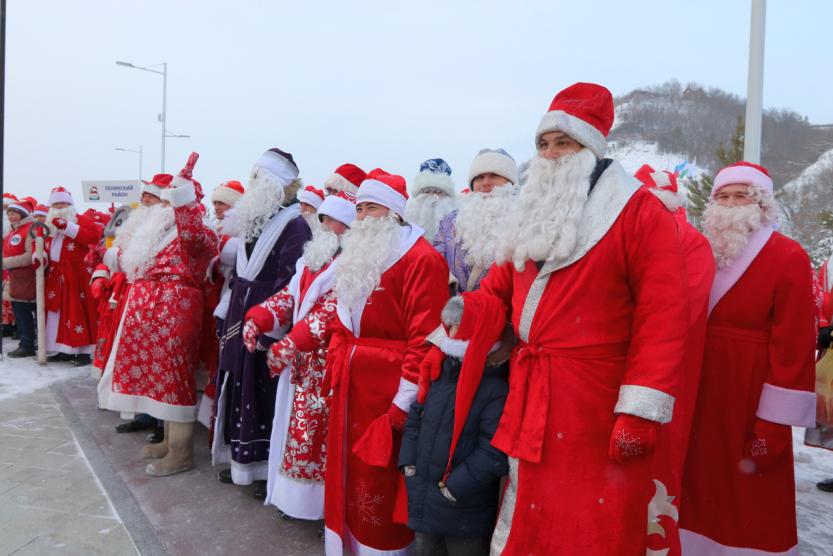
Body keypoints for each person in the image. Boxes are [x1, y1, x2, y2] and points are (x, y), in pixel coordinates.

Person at [478, 82, 688, 555]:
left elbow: (664, 315)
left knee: (592, 518)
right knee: (530, 505)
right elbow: (497, 290)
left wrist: (638, 411)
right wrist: (461, 314)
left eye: (563, 143)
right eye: (543, 144)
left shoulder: (637, 212)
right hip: (536, 390)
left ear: (589, 148)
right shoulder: (533, 213)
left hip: (598, 401)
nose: (550, 155)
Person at [679, 162, 817, 555]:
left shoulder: (788, 255)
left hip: (749, 392)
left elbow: (793, 343)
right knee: (697, 482)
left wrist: (774, 422)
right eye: (721, 197)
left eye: (741, 196)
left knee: (747, 489)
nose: (730, 204)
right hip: (700, 387)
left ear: (761, 204)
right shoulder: (698, 250)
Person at [323, 169, 449, 555]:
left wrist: (404, 400)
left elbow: (425, 338)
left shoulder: (420, 258)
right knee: (351, 470)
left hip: (388, 390)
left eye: (371, 208)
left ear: (393, 212)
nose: (361, 217)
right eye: (358, 209)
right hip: (354, 385)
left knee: (379, 477)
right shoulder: (361, 257)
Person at [98, 153, 217, 476]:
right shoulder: (157, 233)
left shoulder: (199, 232)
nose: (165, 207)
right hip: (148, 310)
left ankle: (181, 453)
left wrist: (182, 195)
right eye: (165, 201)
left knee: (175, 376)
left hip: (175, 310)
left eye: (171, 202)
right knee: (158, 379)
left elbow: (192, 233)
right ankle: (168, 442)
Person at [243, 192, 355, 520]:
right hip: (304, 363)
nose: (323, 226)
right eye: (322, 219)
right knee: (301, 433)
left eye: (331, 221)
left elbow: (331, 310)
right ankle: (298, 501)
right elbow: (289, 297)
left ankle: (328, 508)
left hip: (329, 363)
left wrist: (292, 342)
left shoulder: (353, 264)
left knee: (325, 439)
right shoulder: (310, 261)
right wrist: (260, 317)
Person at [212, 148, 311, 495]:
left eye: (258, 178)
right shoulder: (256, 220)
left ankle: (265, 470)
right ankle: (243, 465)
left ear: (275, 183)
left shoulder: (296, 223)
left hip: (268, 318)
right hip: (242, 310)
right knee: (241, 387)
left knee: (264, 393)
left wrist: (272, 321)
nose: (252, 184)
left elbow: (291, 279)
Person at [633, 165, 716, 555]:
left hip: (666, 374)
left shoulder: (692, 243)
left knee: (656, 467)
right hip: (621, 370)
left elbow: (678, 315)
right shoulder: (630, 237)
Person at [399, 291, 509, 556]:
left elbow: (493, 450)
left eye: (457, 325)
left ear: (476, 328)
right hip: (425, 496)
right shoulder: (443, 370)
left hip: (463, 510)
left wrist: (454, 489)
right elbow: (417, 415)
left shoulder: (494, 387)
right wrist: (409, 464)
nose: (450, 331)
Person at [196, 180, 245, 433]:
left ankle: (216, 421)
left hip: (229, 297)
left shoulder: (240, 229)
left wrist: (216, 260)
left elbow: (232, 259)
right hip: (216, 296)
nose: (216, 207)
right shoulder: (220, 227)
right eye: (214, 202)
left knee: (220, 358)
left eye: (222, 202)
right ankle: (209, 419)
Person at [433, 149, 518, 293]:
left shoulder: (525, 219)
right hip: (457, 308)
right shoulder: (450, 222)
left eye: (494, 175)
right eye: (479, 177)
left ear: (510, 181)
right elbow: (436, 262)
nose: (485, 183)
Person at [43, 187, 102, 367]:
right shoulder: (49, 225)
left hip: (77, 276)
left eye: (63, 203)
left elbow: (93, 238)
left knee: (79, 312)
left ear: (70, 204)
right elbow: (45, 247)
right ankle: (63, 349)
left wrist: (68, 227)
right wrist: (42, 259)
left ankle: (83, 352)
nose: (60, 206)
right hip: (56, 276)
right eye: (56, 203)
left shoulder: (82, 220)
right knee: (57, 314)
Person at [3, 199, 37, 358]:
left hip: (27, 278)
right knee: (19, 311)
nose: (11, 216)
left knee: (25, 313)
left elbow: (30, 256)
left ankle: (28, 344)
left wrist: (5, 263)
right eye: (9, 213)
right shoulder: (14, 231)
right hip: (16, 277)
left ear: (22, 214)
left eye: (14, 213)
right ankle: (25, 342)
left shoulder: (29, 229)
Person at [404, 158, 457, 243]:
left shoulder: (460, 225)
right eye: (426, 192)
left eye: (438, 192)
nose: (432, 197)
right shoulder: (404, 225)